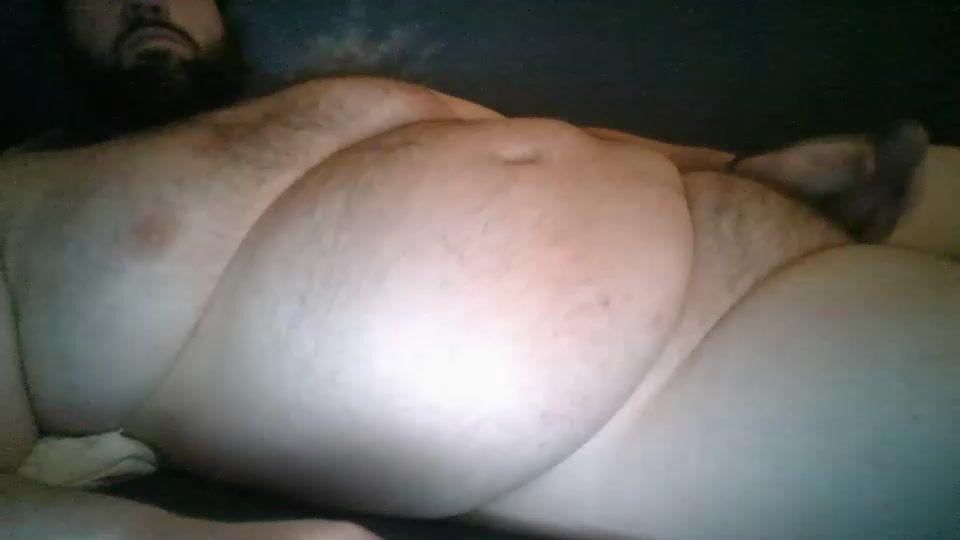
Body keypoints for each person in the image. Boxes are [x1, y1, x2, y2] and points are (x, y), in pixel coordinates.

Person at [1, 1, 958, 539]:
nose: (146, 2)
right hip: (669, 390)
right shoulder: (24, 193)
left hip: (779, 224)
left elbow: (557, 137)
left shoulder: (303, 98)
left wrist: (747, 170)